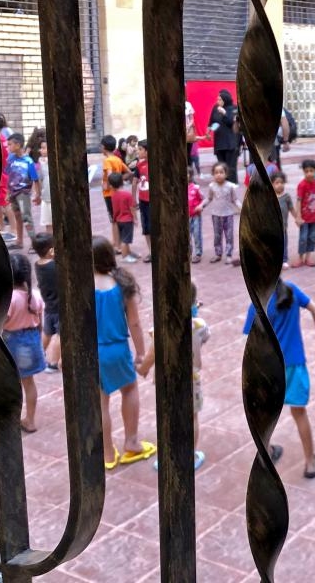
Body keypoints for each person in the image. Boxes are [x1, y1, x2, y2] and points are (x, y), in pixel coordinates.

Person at [242, 280, 315, 478]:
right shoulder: (292, 289)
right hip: (294, 364)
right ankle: (310, 463)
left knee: (265, 414)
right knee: (299, 413)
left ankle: (268, 453)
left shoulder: (259, 301)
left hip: (269, 367)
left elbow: (251, 340)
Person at [92, 236, 155, 470]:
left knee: (100, 402)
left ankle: (107, 453)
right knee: (129, 390)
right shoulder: (121, 285)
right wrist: (140, 352)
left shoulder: (82, 286)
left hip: (93, 352)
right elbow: (135, 323)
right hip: (117, 349)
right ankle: (131, 442)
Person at [138, 280, 209, 471]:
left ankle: (167, 457)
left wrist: (143, 369)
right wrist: (194, 312)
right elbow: (203, 335)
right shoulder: (200, 325)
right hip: (190, 380)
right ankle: (191, 455)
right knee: (192, 417)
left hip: (166, 380)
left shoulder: (160, 327)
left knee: (168, 417)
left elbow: (152, 353)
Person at [4, 252, 45, 433]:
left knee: (12, 383)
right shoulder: (34, 295)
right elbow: (40, 322)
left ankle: (11, 417)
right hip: (31, 339)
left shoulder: (9, 299)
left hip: (13, 341)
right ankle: (30, 419)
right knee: (29, 382)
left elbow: (3, 322)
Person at [200, 162, 242, 265]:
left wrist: (241, 207)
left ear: (226, 174)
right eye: (216, 172)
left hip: (228, 215)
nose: (218, 174)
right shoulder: (212, 186)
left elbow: (235, 199)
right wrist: (202, 205)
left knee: (229, 235)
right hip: (216, 215)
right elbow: (209, 198)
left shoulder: (230, 186)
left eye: (221, 172)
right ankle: (218, 253)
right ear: (213, 174)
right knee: (217, 235)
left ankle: (228, 254)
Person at [32, 232, 62, 373]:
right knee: (60, 335)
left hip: (49, 305)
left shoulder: (38, 264)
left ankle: (38, 355)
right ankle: (53, 363)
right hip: (59, 306)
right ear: (51, 250)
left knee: (47, 332)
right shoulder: (54, 266)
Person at [5, 133, 40, 249]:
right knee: (17, 216)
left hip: (23, 193)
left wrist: (37, 194)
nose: (8, 147)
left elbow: (35, 179)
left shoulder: (28, 161)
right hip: (12, 193)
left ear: (18, 145)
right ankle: (19, 242)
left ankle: (34, 243)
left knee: (26, 217)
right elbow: (8, 175)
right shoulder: (10, 159)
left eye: (10, 144)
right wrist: (7, 192)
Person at [100, 134, 129, 250]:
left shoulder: (107, 161)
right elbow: (128, 172)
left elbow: (110, 175)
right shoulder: (117, 159)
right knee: (117, 217)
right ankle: (117, 241)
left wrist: (106, 185)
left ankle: (117, 244)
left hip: (109, 194)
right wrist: (120, 180)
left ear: (104, 147)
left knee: (114, 220)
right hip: (118, 193)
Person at [295, 159, 315, 268]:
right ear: (303, 172)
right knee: (303, 238)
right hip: (304, 218)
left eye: (311, 171)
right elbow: (298, 200)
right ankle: (301, 258)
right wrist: (298, 216)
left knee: (312, 237)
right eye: (306, 171)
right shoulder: (302, 185)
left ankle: (308, 257)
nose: (309, 173)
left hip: (314, 217)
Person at [209, 89, 239, 183]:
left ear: (225, 99)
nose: (218, 102)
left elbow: (232, 123)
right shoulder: (215, 108)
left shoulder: (234, 108)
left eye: (220, 100)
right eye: (217, 99)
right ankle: (223, 184)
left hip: (231, 143)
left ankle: (232, 185)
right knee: (222, 166)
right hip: (219, 142)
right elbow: (211, 122)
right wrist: (208, 130)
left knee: (230, 167)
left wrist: (224, 113)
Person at [272, 172, 300, 269]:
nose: (280, 185)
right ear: (271, 184)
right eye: (277, 183)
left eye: (282, 182)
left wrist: (297, 218)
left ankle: (284, 260)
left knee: (283, 244)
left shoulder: (286, 197)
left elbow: (291, 209)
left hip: (283, 227)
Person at [109, 172, 138, 263]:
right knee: (126, 240)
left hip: (119, 220)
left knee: (124, 238)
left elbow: (115, 209)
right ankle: (125, 256)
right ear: (122, 181)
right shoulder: (127, 195)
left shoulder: (113, 195)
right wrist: (135, 218)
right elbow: (132, 208)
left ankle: (128, 252)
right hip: (127, 220)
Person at [132, 139, 152, 262]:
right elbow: (134, 182)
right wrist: (133, 200)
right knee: (146, 228)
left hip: (153, 201)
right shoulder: (139, 166)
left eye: (140, 149)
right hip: (143, 201)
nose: (138, 151)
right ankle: (151, 251)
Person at [35, 138, 53, 233]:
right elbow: (39, 178)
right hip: (45, 197)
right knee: (47, 223)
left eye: (43, 148)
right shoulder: (40, 162)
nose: (41, 150)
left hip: (53, 197)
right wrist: (38, 194)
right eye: (41, 148)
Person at [187, 166, 204, 263]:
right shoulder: (179, 188)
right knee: (187, 235)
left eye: (188, 173)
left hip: (195, 215)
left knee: (197, 234)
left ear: (191, 175)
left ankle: (198, 253)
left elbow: (203, 199)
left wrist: (201, 206)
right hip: (186, 216)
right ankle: (188, 251)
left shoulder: (196, 188)